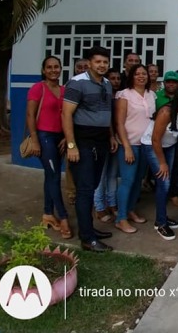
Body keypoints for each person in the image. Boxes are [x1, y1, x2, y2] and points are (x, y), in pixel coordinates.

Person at [62, 46, 118, 252]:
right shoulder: (77, 83)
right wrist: (71, 145)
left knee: (92, 185)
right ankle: (87, 238)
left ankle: (89, 229)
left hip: (101, 140)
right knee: (85, 190)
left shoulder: (106, 84)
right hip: (83, 141)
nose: (102, 65)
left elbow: (107, 112)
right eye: (98, 62)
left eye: (105, 62)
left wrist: (111, 135)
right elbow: (66, 114)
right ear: (89, 63)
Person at [141, 85, 178, 240]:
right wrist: (162, 162)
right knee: (163, 182)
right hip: (152, 146)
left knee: (166, 183)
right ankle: (160, 223)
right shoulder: (166, 112)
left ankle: (162, 216)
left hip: (169, 146)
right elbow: (155, 139)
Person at [26, 56, 71, 239]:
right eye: (49, 67)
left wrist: (66, 137)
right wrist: (35, 139)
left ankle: (47, 214)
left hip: (59, 138)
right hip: (44, 137)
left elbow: (66, 116)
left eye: (56, 67)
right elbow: (30, 115)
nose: (53, 70)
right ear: (44, 70)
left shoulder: (64, 90)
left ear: (60, 69)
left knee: (50, 176)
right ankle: (64, 217)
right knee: (53, 177)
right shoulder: (38, 88)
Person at [114, 63, 156, 234]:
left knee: (138, 180)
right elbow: (119, 122)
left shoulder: (151, 94)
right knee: (127, 181)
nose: (141, 76)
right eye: (137, 74)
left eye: (144, 74)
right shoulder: (124, 95)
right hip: (129, 144)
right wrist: (126, 147)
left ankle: (130, 210)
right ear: (131, 76)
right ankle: (120, 218)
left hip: (146, 145)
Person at [93, 67, 121, 223]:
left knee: (112, 174)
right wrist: (110, 136)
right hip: (103, 139)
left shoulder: (121, 96)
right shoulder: (103, 97)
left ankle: (112, 203)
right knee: (101, 175)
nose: (115, 81)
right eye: (112, 78)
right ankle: (99, 206)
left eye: (118, 78)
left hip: (117, 140)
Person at [64, 58, 90, 205]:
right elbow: (65, 113)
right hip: (72, 133)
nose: (82, 69)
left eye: (85, 67)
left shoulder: (97, 85)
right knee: (71, 164)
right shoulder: (72, 84)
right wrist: (67, 138)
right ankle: (71, 193)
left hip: (87, 134)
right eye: (79, 67)